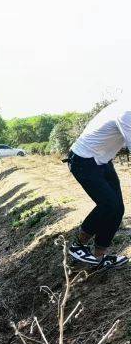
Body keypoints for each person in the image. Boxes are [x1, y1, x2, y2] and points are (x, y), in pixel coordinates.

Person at [67, 100, 130, 269]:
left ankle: (99, 257)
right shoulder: (127, 112)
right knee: (109, 205)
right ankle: (78, 246)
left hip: (102, 160)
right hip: (83, 160)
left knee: (117, 209)